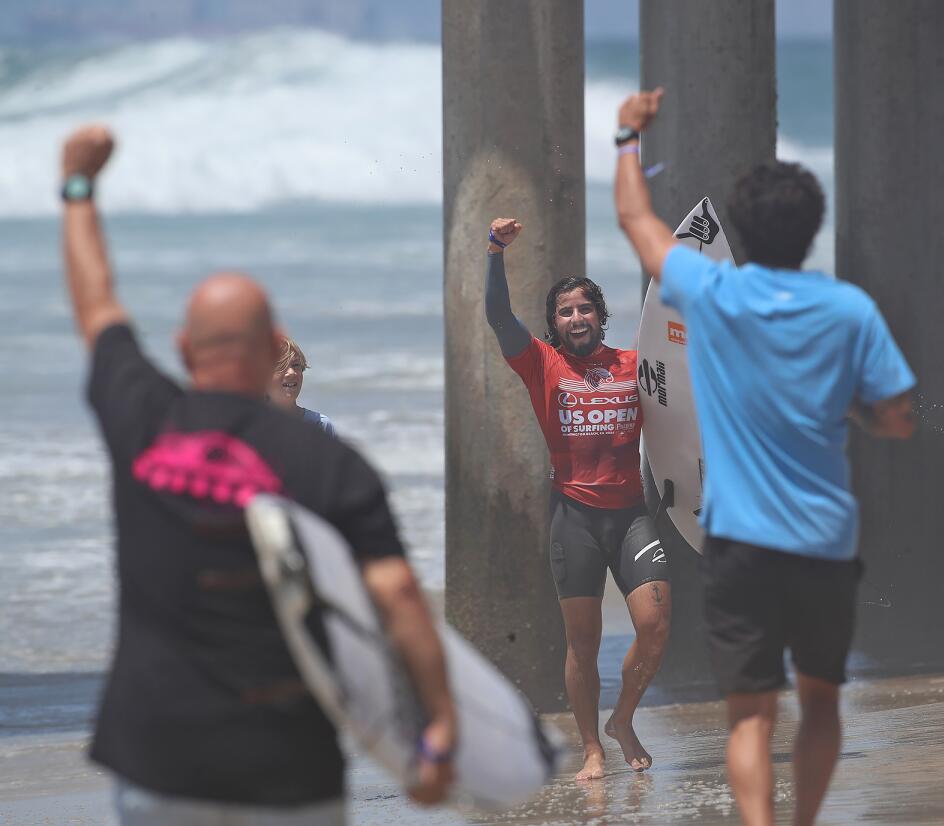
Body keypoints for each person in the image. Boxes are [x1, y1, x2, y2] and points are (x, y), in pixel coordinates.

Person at [60, 124, 455, 824]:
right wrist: (440, 726)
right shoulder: (327, 458)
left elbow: (97, 310)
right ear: (271, 346)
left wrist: (79, 188)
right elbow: (396, 594)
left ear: (184, 348)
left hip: (158, 759)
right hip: (290, 764)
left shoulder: (143, 417)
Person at [612, 90, 916, 826]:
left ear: (740, 228)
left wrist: (628, 137)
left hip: (740, 540)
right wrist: (845, 406)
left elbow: (638, 224)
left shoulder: (710, 290)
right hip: (822, 540)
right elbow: (898, 420)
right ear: (812, 231)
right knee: (819, 701)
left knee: (748, 715)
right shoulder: (850, 310)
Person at [483, 217, 671, 781]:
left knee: (656, 625)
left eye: (585, 308)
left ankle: (624, 719)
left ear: (600, 315)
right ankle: (592, 747)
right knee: (582, 644)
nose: (576, 318)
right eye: (565, 311)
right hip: (575, 520)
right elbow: (496, 316)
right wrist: (495, 251)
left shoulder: (634, 365)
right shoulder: (541, 363)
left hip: (632, 515)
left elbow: (683, 405)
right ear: (555, 323)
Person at [268, 335, 335, 435]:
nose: (291, 372)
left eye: (296, 365)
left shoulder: (319, 425)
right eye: (281, 366)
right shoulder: (247, 426)